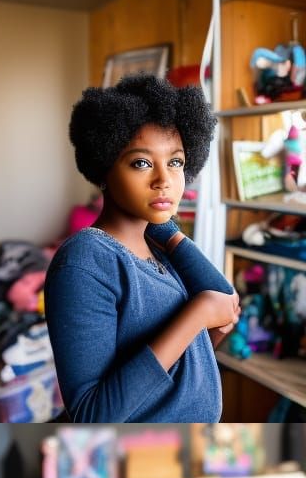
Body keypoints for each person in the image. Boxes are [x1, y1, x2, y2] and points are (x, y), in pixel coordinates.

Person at [44, 74, 241, 422]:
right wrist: (194, 317)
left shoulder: (159, 246)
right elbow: (91, 416)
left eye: (176, 162)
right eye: (142, 163)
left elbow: (224, 302)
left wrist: (166, 228)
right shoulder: (85, 261)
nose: (164, 179)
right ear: (104, 169)